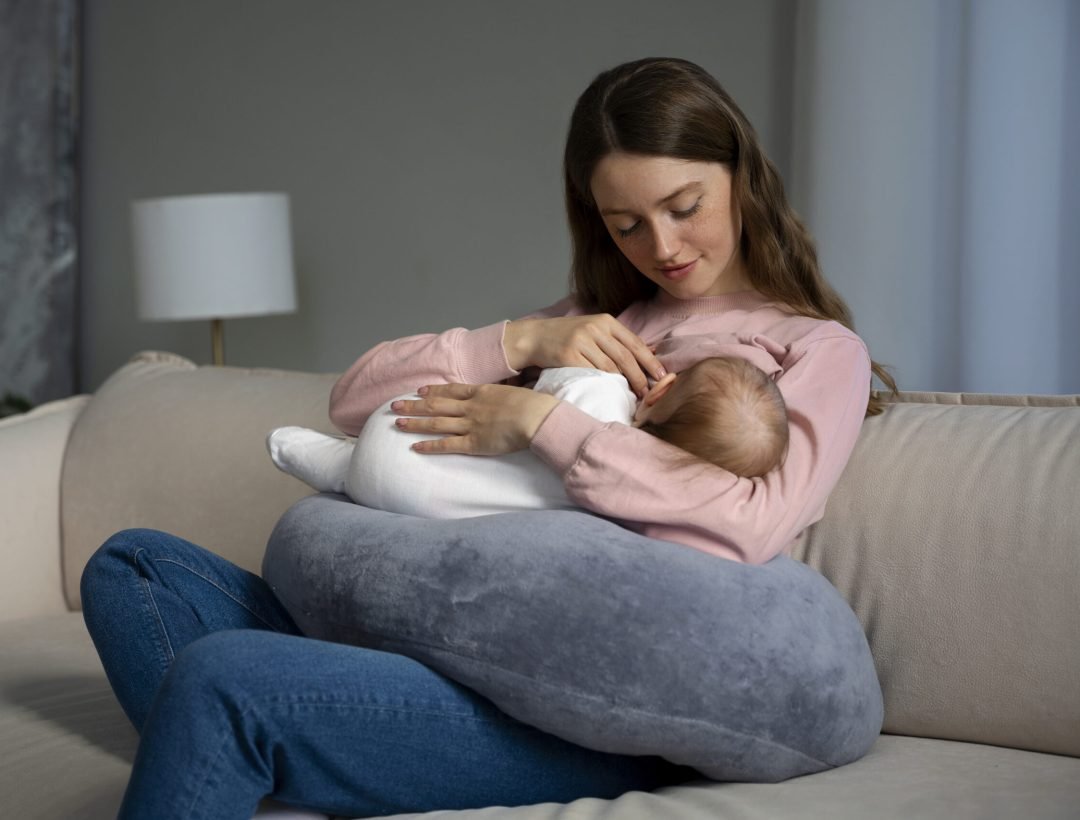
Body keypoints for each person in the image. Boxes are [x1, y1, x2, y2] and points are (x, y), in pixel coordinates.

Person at [80, 57, 897, 818]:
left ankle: (278, 737)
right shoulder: (600, 319)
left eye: (684, 208)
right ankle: (295, 748)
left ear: (741, 177)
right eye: (627, 226)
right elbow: (350, 404)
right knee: (135, 568)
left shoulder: (815, 351)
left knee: (221, 682)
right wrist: (517, 344)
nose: (664, 247)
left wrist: (545, 421)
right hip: (447, 624)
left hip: (593, 698)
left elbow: (755, 519)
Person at [267, 354, 789, 519]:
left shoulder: (602, 389)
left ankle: (334, 463)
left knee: (347, 462)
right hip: (415, 505)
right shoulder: (627, 503)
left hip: (404, 429)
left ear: (660, 388)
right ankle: (342, 467)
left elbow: (548, 384)